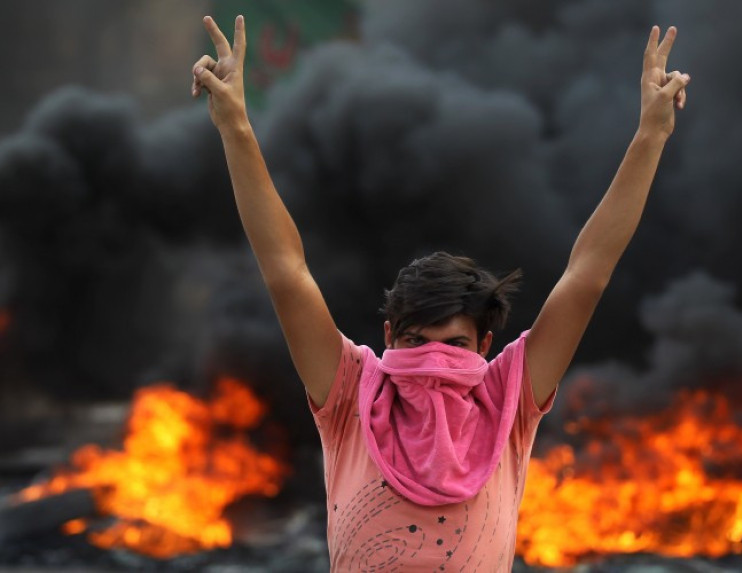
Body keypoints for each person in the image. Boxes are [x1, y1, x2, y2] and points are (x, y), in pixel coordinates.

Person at [192, 14, 689, 571]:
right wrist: (235, 126)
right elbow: (286, 273)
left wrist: (651, 135)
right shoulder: (351, 395)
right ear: (387, 337)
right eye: (414, 341)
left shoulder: (509, 400)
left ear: (484, 345)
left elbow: (588, 273)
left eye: (452, 346)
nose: (432, 361)